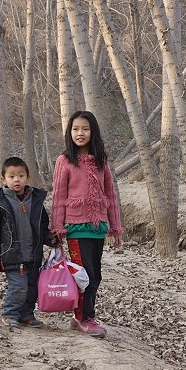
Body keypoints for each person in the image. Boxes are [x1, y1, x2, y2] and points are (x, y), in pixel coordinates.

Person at [51, 111, 124, 338]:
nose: (79, 133)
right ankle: (86, 319)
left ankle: (78, 316)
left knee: (96, 275)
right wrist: (57, 228)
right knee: (86, 275)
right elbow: (58, 197)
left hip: (97, 228)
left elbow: (110, 195)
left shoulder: (102, 160)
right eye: (75, 129)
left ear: (93, 132)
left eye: (84, 129)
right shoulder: (65, 161)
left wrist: (115, 227)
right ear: (69, 132)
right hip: (75, 228)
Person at [0, 156, 55, 328]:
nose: (17, 179)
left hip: (33, 255)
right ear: (3, 179)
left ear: (28, 177)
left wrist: (51, 239)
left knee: (32, 287)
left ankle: (26, 315)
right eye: (12, 176)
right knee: (18, 286)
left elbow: (42, 227)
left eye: (21, 176)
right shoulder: (0, 202)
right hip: (12, 256)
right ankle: (10, 313)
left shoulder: (35, 199)